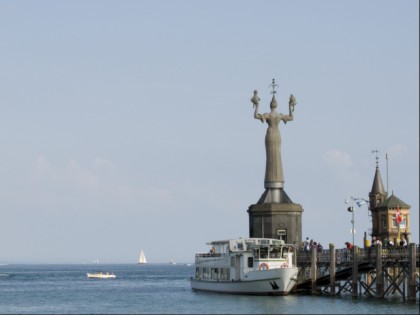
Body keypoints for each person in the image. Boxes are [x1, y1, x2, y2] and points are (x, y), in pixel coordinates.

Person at [251, 80, 296, 189]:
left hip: (270, 134)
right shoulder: (279, 115)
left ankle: (273, 180)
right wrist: (290, 106)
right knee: (276, 155)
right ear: (276, 105)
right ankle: (275, 179)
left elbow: (256, 116)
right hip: (276, 134)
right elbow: (291, 117)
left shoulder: (268, 115)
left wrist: (257, 105)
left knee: (272, 156)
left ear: (270, 105)